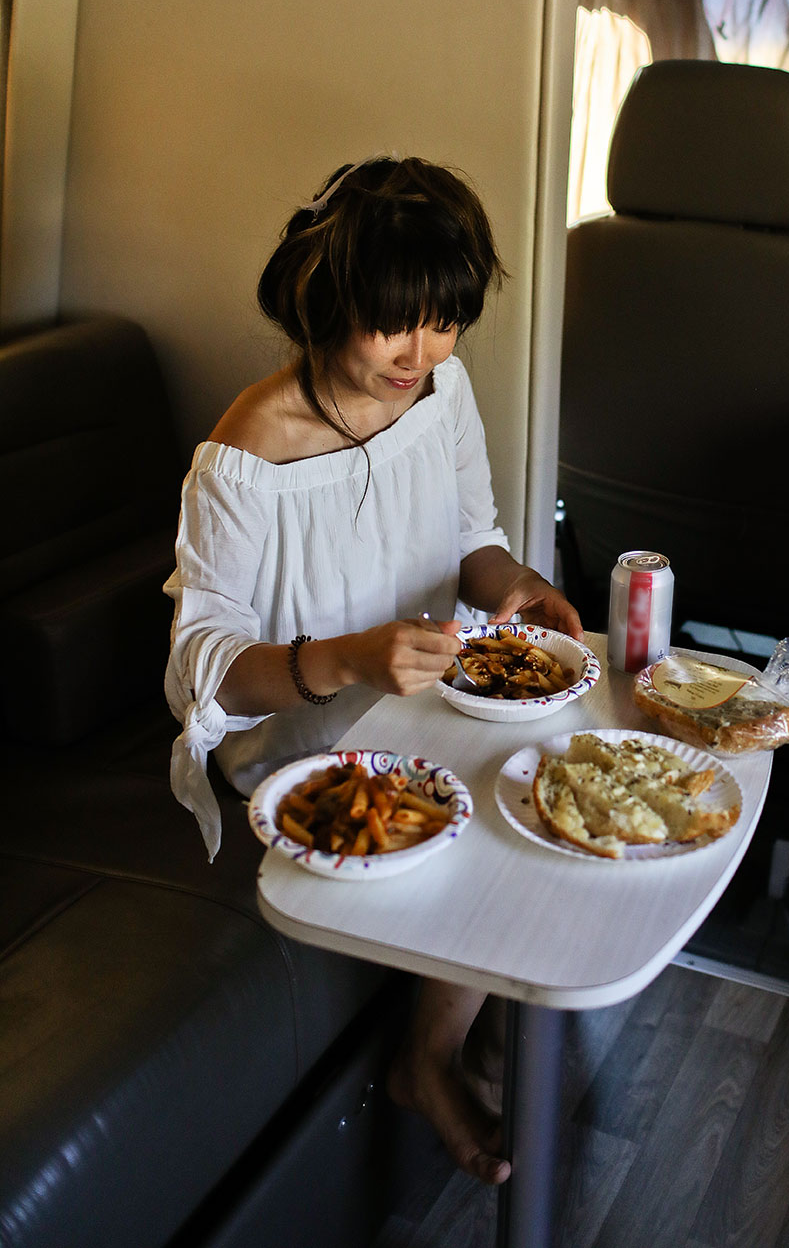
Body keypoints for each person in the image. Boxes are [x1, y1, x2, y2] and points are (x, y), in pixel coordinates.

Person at [165, 155, 583, 1186]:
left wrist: (517, 585)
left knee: (547, 787)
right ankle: (431, 1062)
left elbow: (472, 538)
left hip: (414, 705)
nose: (422, 351)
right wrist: (343, 658)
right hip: (299, 746)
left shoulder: (440, 388)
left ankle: (460, 1035)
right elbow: (197, 675)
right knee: (500, 815)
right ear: (329, 298)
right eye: (397, 322)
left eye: (445, 320)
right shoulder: (248, 453)